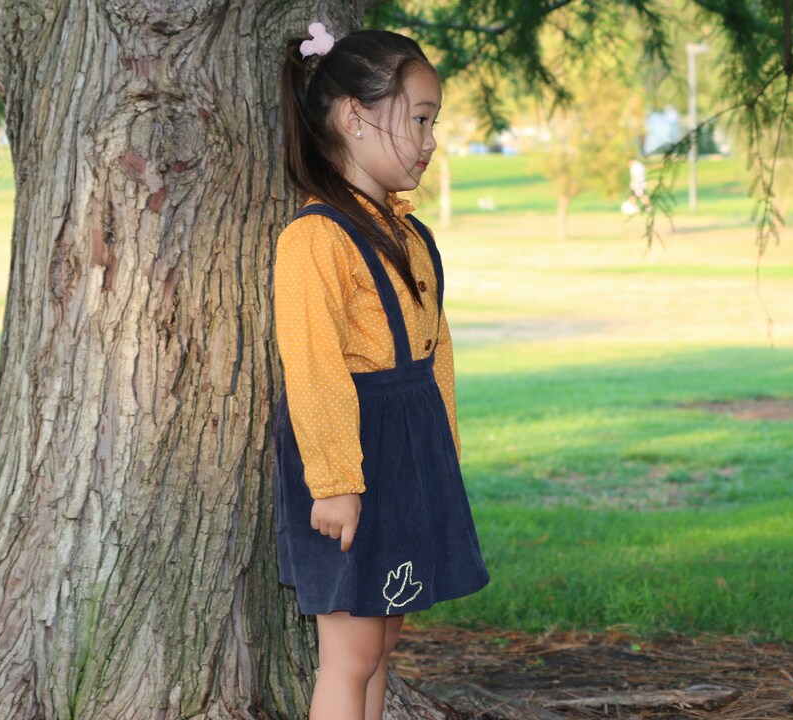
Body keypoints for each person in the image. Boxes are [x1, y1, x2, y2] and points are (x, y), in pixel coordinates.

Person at [274, 23, 490, 720]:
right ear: (355, 117)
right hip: (351, 461)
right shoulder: (314, 239)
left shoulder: (409, 235)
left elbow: (436, 356)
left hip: (409, 455)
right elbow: (312, 364)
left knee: (383, 644)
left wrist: (443, 457)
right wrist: (335, 484)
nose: (430, 142)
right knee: (351, 655)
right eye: (420, 120)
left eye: (433, 122)